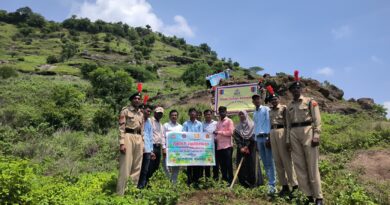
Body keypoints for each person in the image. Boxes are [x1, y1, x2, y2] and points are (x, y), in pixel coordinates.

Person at [286, 71, 323, 205]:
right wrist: (288, 141)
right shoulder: (289, 106)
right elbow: (288, 125)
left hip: (308, 131)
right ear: (290, 91)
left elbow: (317, 120)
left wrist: (316, 135)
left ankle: (318, 197)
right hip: (294, 134)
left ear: (301, 89)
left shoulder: (310, 102)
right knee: (299, 166)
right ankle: (307, 195)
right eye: (293, 89)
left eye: (297, 88)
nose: (295, 90)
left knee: (312, 165)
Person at [266, 86, 298, 197]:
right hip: (272, 133)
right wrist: (269, 138)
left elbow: (288, 124)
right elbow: (270, 125)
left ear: (279, 100)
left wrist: (288, 139)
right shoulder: (270, 111)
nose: (274, 101)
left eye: (275, 99)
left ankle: (294, 186)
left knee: (286, 160)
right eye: (272, 100)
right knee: (277, 161)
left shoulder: (283, 108)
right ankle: (284, 186)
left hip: (282, 132)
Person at [116, 92, 144, 195]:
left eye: (139, 98)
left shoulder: (141, 114)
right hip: (128, 136)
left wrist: (143, 143)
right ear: (131, 100)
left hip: (139, 138)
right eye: (135, 98)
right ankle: (120, 194)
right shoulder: (125, 111)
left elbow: (142, 129)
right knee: (126, 166)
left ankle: (131, 192)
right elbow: (121, 128)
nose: (137, 100)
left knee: (137, 166)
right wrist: (122, 143)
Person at [252, 93, 276, 195]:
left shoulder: (266, 109)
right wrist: (256, 140)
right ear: (253, 102)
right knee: (265, 163)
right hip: (259, 139)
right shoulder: (254, 113)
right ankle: (270, 183)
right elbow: (256, 126)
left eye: (258, 99)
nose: (256, 101)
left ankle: (272, 185)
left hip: (266, 137)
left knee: (270, 161)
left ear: (261, 100)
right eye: (254, 100)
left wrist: (269, 138)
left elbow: (270, 123)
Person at [233, 110, 263, 188]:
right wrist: (241, 147)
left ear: (246, 115)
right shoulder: (237, 127)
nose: (241, 116)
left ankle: (255, 183)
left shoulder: (252, 125)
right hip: (241, 149)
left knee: (252, 164)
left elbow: (253, 137)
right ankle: (244, 183)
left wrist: (246, 146)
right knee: (242, 165)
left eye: (242, 114)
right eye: (240, 115)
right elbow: (236, 138)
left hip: (252, 147)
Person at [182, 108, 203, 186]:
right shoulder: (185, 124)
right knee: (189, 164)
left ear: (196, 114)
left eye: (194, 113)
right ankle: (189, 181)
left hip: (197, 147)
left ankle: (196, 181)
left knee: (197, 164)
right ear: (189, 114)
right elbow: (183, 135)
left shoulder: (200, 124)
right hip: (188, 147)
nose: (193, 114)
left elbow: (201, 135)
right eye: (191, 113)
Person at [214, 106, 234, 184]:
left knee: (228, 164)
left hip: (227, 146)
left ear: (226, 112)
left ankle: (230, 181)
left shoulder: (229, 121)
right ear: (218, 112)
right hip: (219, 147)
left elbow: (230, 133)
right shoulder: (218, 122)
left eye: (223, 111)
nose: (221, 113)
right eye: (220, 111)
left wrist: (219, 132)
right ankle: (224, 180)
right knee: (222, 165)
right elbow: (216, 133)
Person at [163, 109, 183, 184]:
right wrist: (163, 148)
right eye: (172, 115)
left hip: (177, 150)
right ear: (169, 116)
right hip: (168, 149)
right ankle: (168, 181)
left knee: (176, 167)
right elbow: (162, 137)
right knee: (166, 166)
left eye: (175, 115)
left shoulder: (180, 127)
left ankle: (174, 183)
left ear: (177, 116)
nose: (174, 116)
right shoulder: (166, 125)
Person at [137, 105, 155, 189]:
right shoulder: (138, 120)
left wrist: (151, 150)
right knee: (137, 168)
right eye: (147, 111)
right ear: (142, 110)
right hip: (139, 148)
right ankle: (134, 186)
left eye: (150, 112)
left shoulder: (149, 122)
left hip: (147, 149)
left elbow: (151, 137)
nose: (149, 113)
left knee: (145, 169)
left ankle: (141, 187)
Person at [147, 107, 165, 180]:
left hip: (158, 147)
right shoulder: (150, 121)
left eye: (161, 113)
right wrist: (150, 150)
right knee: (149, 166)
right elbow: (147, 134)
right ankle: (146, 183)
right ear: (154, 113)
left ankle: (152, 182)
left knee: (156, 166)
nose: (159, 114)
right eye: (158, 113)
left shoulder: (160, 124)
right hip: (152, 146)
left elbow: (162, 136)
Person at [202, 109, 218, 180]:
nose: (208, 116)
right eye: (206, 114)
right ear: (204, 116)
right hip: (206, 146)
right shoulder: (202, 124)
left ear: (211, 115)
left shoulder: (216, 123)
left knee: (215, 162)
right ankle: (207, 179)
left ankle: (215, 178)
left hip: (215, 144)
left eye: (209, 114)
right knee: (207, 162)